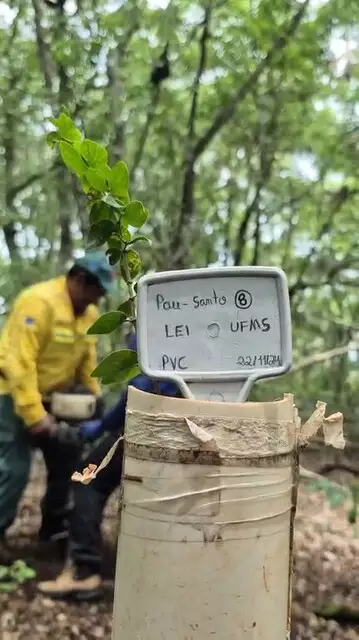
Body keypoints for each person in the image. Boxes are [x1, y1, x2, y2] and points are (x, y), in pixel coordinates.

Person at [37, 331, 180, 601]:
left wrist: (102, 426)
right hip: (195, 428)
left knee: (87, 479)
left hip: (150, 424)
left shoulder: (156, 320)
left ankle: (83, 570)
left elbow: (143, 386)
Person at [0, 251, 115, 562]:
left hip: (56, 398)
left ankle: (53, 531)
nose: (97, 300)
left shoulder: (88, 316)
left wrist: (94, 400)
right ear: (78, 280)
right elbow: (18, 363)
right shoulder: (37, 303)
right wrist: (35, 416)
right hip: (11, 395)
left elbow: (86, 364)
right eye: (96, 291)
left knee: (66, 466)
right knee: (14, 468)